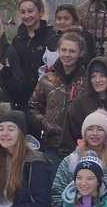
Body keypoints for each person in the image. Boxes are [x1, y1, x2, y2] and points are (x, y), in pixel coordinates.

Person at [28, 31, 88, 161]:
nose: (67, 55)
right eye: (63, 50)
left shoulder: (87, 81)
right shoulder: (46, 80)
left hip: (82, 145)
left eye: (72, 51)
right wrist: (45, 123)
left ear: (80, 53)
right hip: (53, 144)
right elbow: (32, 107)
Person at [53, 110, 107, 206]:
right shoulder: (71, 161)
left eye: (100, 129)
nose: (95, 133)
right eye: (90, 129)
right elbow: (57, 193)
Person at [9, 0, 60, 114]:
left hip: (46, 98)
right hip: (22, 100)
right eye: (22, 12)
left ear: (40, 12)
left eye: (30, 11)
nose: (26, 16)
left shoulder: (52, 36)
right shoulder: (17, 40)